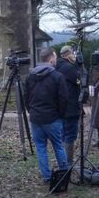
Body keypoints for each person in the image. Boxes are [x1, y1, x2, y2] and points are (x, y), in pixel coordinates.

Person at [24, 47, 69, 183]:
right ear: (51, 59)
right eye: (55, 57)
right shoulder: (57, 76)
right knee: (58, 146)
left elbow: (26, 97)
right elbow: (63, 98)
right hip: (52, 118)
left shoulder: (30, 76)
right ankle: (64, 173)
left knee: (41, 148)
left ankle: (46, 176)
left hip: (36, 117)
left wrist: (31, 110)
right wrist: (60, 114)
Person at [56, 46, 82, 159]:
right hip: (70, 107)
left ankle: (62, 160)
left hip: (61, 107)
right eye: (72, 53)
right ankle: (68, 162)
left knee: (63, 134)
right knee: (70, 135)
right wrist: (78, 64)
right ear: (68, 54)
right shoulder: (68, 67)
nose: (74, 55)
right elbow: (79, 79)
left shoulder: (58, 66)